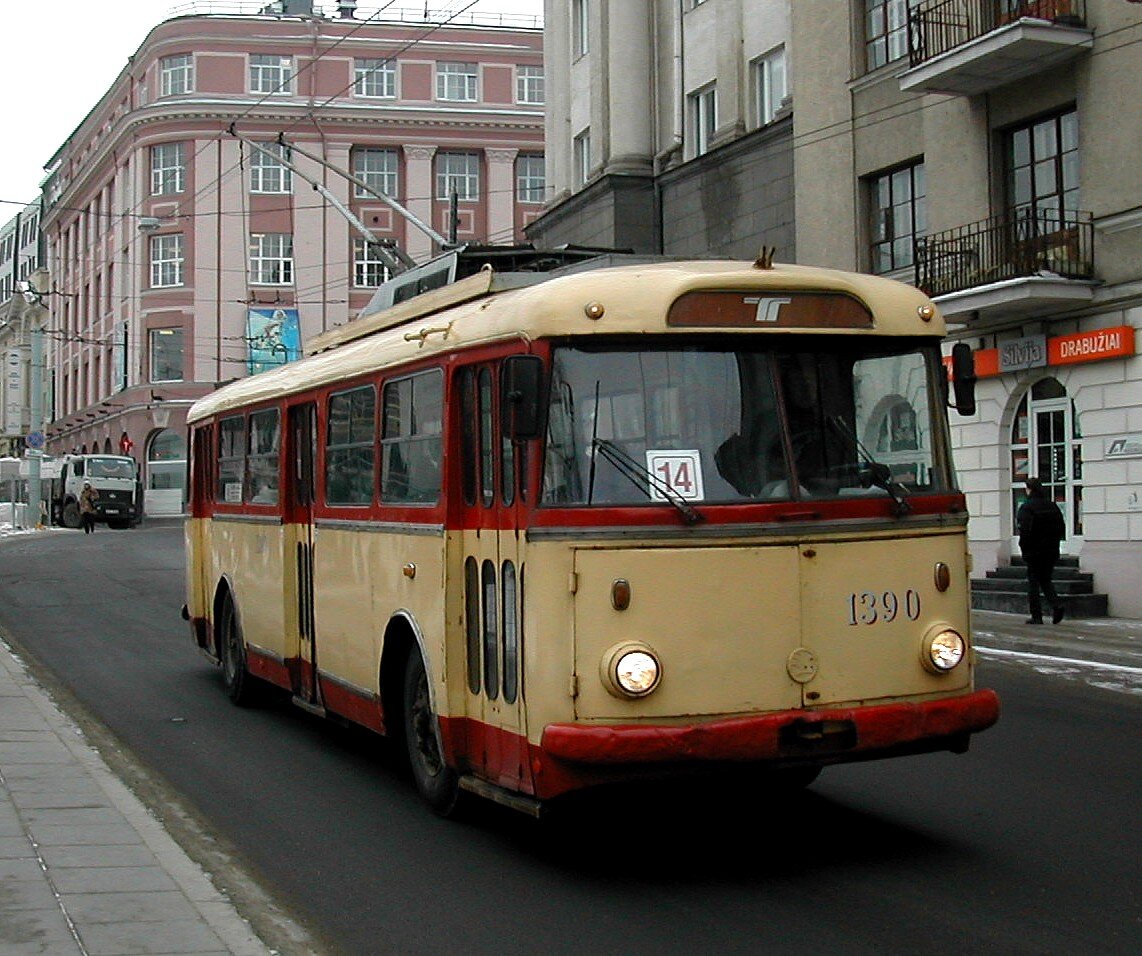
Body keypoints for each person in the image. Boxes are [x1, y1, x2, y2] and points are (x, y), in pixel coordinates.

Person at [1016, 476, 1066, 625]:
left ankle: (1036, 615)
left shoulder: (1027, 507)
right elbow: (1060, 528)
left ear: (1029, 489)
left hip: (1034, 551)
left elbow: (1025, 531)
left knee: (1033, 583)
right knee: (1045, 580)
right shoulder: (1052, 506)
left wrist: (1024, 548)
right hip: (1051, 550)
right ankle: (1056, 606)